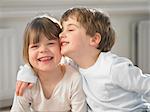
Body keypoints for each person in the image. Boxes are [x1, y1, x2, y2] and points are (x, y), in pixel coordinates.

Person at [16, 8, 150, 112]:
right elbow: (48, 63)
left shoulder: (113, 67)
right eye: (62, 30)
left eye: (70, 29)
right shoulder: (75, 65)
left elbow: (146, 85)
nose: (62, 35)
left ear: (94, 39)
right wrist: (27, 71)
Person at [11, 14, 87, 112]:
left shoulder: (74, 79)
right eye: (35, 46)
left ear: (61, 46)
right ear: (27, 52)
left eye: (50, 43)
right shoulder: (27, 81)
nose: (43, 50)